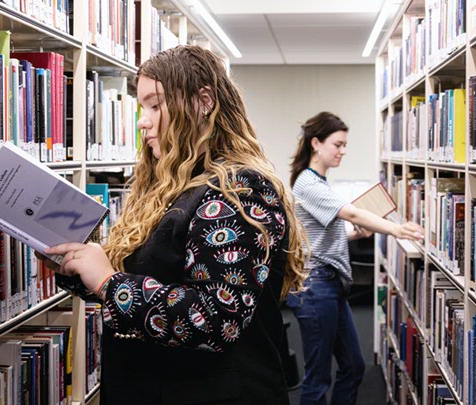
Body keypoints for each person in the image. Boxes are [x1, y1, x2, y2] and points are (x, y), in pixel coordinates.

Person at [43, 45, 307, 404]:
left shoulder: (239, 190)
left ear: (204, 101)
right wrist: (80, 266)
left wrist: (108, 282)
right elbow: (156, 274)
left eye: (155, 105)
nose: (142, 120)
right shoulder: (171, 187)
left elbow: (216, 318)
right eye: (141, 107)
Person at [287, 112, 424, 405]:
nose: (343, 151)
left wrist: (352, 235)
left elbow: (315, 239)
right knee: (317, 377)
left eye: (344, 145)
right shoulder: (307, 183)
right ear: (316, 144)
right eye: (337, 144)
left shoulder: (318, 182)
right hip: (315, 288)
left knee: (353, 365)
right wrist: (396, 229)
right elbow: (350, 212)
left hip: (331, 285)